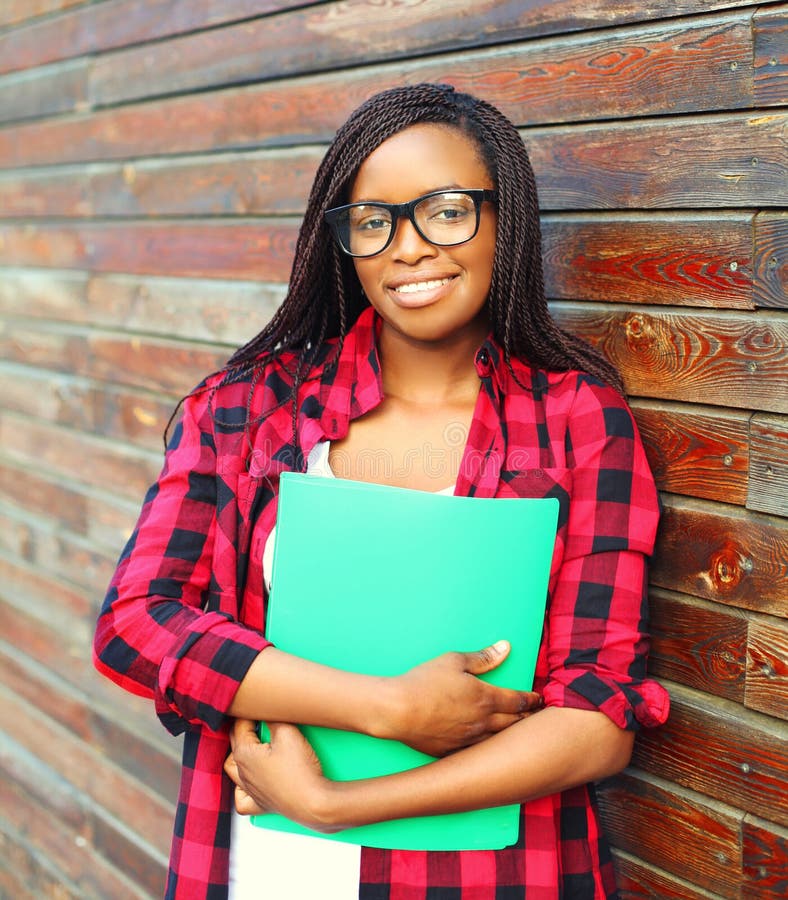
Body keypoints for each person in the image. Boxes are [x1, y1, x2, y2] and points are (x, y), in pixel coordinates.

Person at [93, 82, 669, 899]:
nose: (409, 247)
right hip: (275, 867)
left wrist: (341, 804)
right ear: (345, 245)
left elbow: (597, 715)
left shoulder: (577, 421)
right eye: (374, 222)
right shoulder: (247, 408)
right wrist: (386, 710)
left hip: (486, 875)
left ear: (506, 219)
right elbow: (136, 623)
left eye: (445, 210)